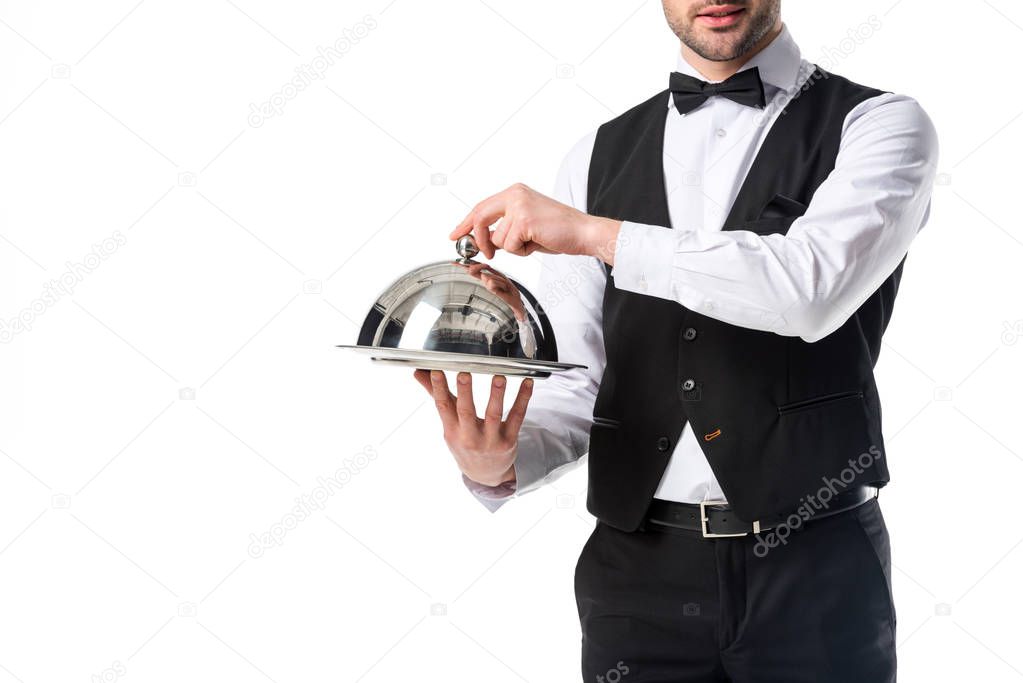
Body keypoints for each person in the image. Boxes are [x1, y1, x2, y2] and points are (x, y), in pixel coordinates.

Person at [414, 1, 938, 680]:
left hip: (817, 566)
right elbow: (583, 374)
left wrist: (596, 234)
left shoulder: (880, 124)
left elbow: (807, 290)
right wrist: (502, 460)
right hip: (634, 576)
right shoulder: (595, 155)